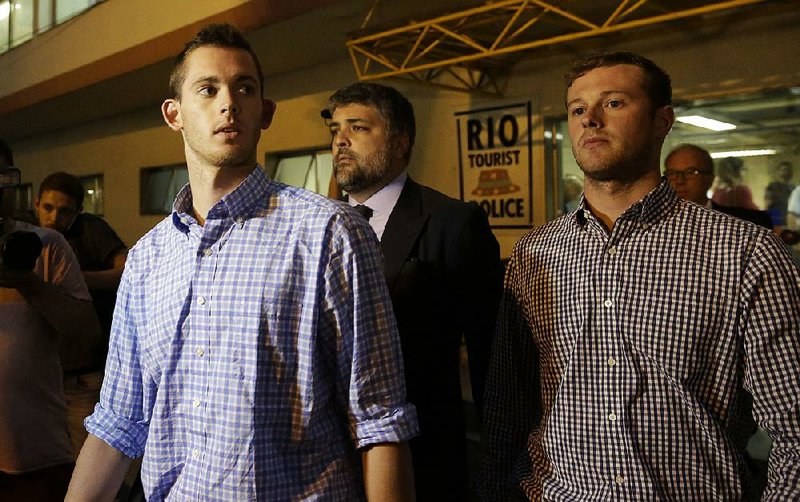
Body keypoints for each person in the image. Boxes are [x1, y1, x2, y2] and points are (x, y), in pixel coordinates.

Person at [66, 24, 417, 501]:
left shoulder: (330, 234)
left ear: (264, 112)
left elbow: (380, 423)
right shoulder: (148, 259)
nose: (228, 102)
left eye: (244, 88)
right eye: (207, 90)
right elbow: (118, 425)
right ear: (175, 114)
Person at [479, 51, 800, 500]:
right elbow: (507, 409)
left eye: (613, 103)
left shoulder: (746, 252)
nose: (590, 119)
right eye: (577, 109)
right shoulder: (535, 253)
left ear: (661, 121)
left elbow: (793, 431)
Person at [324, 82, 503, 500]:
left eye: (358, 128)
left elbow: (488, 353)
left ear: (400, 143)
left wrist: (499, 460)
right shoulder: (316, 226)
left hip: (422, 455)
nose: (341, 141)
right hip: (326, 457)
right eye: (335, 130)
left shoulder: (453, 223)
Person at [1, 147, 101, 500]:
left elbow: (86, 332)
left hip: (33, 454)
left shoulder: (47, 245)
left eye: (5, 179)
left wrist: (28, 284)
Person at [35, 171, 128, 345]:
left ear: (77, 212)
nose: (54, 218)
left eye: (65, 211)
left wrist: (75, 278)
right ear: (36, 204)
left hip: (93, 342)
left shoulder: (89, 228)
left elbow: (127, 271)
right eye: (48, 208)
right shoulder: (29, 235)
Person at [664, 143, 773, 229]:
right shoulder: (653, 223)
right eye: (672, 173)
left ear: (710, 179)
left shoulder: (752, 224)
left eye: (691, 172)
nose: (679, 181)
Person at [763, 161, 794, 227]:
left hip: (790, 221)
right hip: (776, 220)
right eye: (782, 170)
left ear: (790, 172)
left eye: (787, 170)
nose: (785, 172)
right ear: (778, 172)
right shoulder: (772, 186)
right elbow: (767, 204)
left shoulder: (793, 188)